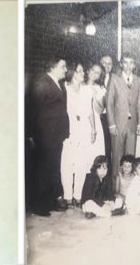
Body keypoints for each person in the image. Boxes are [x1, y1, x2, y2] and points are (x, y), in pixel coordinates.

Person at [28, 58, 70, 216]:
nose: (65, 69)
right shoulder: (43, 83)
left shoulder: (57, 83)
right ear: (52, 67)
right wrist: (32, 134)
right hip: (45, 134)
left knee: (52, 168)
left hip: (55, 135)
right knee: (43, 170)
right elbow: (33, 110)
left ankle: (50, 201)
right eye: (62, 66)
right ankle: (39, 206)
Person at [60, 64, 97, 205]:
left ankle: (78, 196)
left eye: (82, 70)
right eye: (79, 71)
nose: (83, 73)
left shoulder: (87, 90)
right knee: (67, 163)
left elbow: (90, 112)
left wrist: (93, 130)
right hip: (68, 129)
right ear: (71, 73)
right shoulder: (64, 89)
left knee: (81, 163)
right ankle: (68, 195)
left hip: (84, 129)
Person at [106, 55, 140, 191]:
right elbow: (109, 103)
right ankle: (116, 189)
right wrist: (111, 124)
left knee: (130, 157)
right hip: (117, 125)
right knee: (117, 156)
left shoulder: (139, 81)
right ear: (121, 64)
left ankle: (129, 189)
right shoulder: (114, 79)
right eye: (125, 63)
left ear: (134, 65)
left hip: (132, 125)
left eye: (131, 63)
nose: (128, 66)